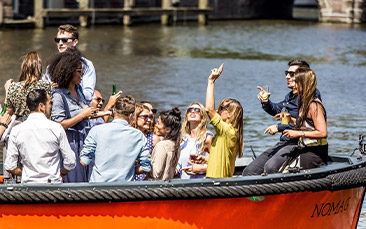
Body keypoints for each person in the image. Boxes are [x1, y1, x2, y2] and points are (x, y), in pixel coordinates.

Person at [243, 59, 321, 175]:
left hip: (297, 143)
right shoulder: (290, 96)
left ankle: (277, 191)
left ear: (303, 75)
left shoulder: (310, 97)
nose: (287, 77)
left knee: (270, 168)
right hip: (284, 142)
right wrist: (266, 102)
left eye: (291, 74)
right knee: (249, 171)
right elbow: (277, 110)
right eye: (287, 73)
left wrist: (279, 127)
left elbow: (306, 124)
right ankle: (257, 193)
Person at [4, 89, 76, 184]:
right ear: (41, 106)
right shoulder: (56, 128)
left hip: (28, 185)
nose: (51, 106)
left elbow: (9, 166)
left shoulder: (16, 130)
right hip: (53, 185)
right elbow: (70, 161)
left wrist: (27, 174)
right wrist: (62, 173)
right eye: (50, 103)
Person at [48, 47, 98, 183]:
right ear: (69, 72)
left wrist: (105, 112)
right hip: (69, 143)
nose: (82, 74)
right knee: (74, 182)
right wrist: (82, 115)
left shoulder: (79, 90)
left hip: (84, 140)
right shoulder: (59, 95)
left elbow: (85, 112)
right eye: (79, 71)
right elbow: (57, 125)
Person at [3, 51, 52, 180]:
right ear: (39, 67)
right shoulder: (45, 85)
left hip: (17, 127)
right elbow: (49, 109)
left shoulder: (14, 87)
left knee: (13, 158)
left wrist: (8, 91)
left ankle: (11, 180)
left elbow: (7, 111)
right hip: (38, 127)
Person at [80, 96, 152, 182]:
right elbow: (146, 167)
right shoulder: (139, 136)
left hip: (98, 188)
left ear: (113, 111)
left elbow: (84, 161)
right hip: (125, 190)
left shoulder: (96, 130)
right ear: (131, 115)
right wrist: (129, 170)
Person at [282, 67, 328, 169]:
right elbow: (308, 126)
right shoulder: (303, 102)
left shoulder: (314, 105)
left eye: (296, 82)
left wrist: (298, 133)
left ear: (304, 84)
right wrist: (291, 120)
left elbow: (322, 133)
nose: (292, 85)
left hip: (315, 154)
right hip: (304, 149)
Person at [205, 64, 244, 178]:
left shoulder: (227, 131)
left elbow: (209, 109)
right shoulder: (230, 133)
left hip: (216, 184)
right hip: (220, 183)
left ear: (230, 115)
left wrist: (211, 81)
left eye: (221, 108)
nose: (217, 110)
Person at [46, 24, 96, 102]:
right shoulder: (51, 65)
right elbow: (47, 90)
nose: (60, 43)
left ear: (75, 42)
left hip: (78, 106)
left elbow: (88, 95)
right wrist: (52, 88)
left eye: (64, 40)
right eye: (57, 40)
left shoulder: (86, 65)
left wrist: (69, 90)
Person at [179, 102, 213, 179]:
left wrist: (199, 169)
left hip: (202, 184)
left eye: (197, 110)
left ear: (202, 117)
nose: (193, 112)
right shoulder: (182, 139)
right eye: (190, 110)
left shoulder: (208, 138)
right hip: (183, 184)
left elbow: (218, 165)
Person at [150, 107, 182, 181]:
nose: (156, 125)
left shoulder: (161, 145)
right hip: (168, 186)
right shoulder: (176, 145)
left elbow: (156, 173)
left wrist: (146, 163)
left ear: (167, 129)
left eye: (158, 123)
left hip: (157, 188)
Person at [131, 103, 159, 181]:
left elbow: (156, 164)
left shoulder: (154, 138)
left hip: (145, 180)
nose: (149, 120)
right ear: (135, 117)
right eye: (145, 117)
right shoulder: (127, 136)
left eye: (150, 117)